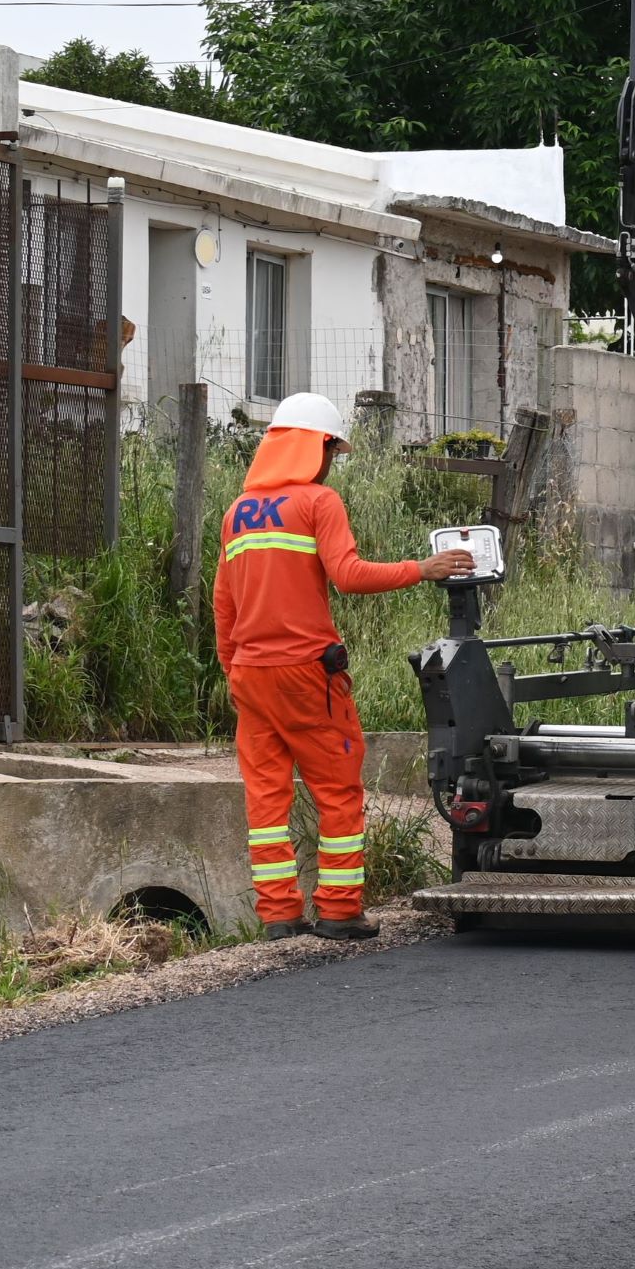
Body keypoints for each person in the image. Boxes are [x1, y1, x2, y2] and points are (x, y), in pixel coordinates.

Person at [214, 393, 471, 940]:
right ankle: (338, 910)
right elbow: (349, 575)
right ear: (318, 447)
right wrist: (421, 569)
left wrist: (234, 671)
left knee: (265, 797)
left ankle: (279, 915)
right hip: (307, 673)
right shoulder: (318, 501)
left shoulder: (237, 514)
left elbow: (224, 604)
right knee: (338, 791)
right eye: (333, 450)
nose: (333, 462)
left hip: (250, 674)